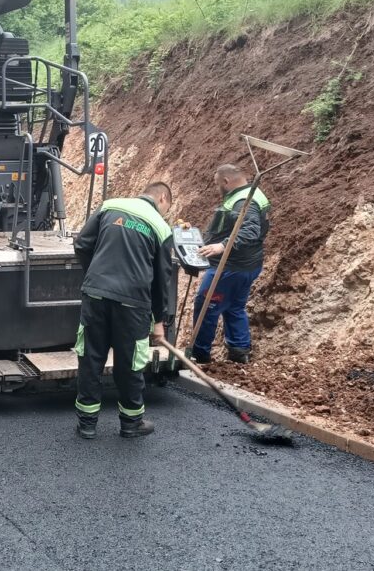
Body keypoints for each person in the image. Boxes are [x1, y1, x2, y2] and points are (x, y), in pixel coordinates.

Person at [73, 182, 174, 439]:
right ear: (162, 198)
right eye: (167, 208)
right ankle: (131, 423)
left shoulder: (110, 205)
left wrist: (95, 276)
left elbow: (83, 244)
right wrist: (159, 320)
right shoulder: (160, 227)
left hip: (96, 295)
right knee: (130, 364)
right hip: (133, 304)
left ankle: (87, 424)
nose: (165, 213)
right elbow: (162, 280)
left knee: (91, 358)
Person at [188, 164, 271, 365]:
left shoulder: (245, 201)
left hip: (229, 268)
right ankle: (239, 351)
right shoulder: (252, 194)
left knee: (206, 305)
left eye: (218, 184)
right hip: (247, 265)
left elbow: (249, 231)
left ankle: (199, 355)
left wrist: (222, 246)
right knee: (234, 306)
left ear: (226, 181)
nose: (217, 188)